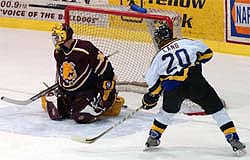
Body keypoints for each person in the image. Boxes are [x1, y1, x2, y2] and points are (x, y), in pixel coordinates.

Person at [141, 22, 246, 154]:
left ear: (158, 40)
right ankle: (233, 139)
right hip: (195, 82)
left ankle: (153, 137)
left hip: (174, 89)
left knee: (167, 112)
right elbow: (208, 53)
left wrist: (150, 98)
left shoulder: (157, 58)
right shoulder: (186, 42)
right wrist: (196, 62)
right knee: (218, 110)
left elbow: (154, 86)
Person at [42, 23, 125, 124]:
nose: (55, 41)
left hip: (86, 91)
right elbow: (60, 72)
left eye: (57, 37)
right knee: (56, 114)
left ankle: (100, 102)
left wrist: (108, 89)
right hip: (68, 92)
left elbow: (105, 67)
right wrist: (60, 86)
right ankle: (66, 103)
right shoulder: (58, 52)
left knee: (78, 116)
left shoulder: (85, 49)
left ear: (64, 36)